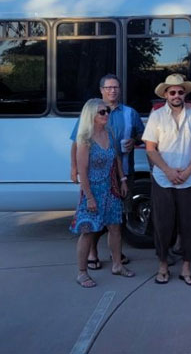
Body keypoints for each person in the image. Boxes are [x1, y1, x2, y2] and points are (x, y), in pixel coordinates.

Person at [70, 74, 144, 270]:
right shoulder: (89, 114)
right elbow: (76, 143)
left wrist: (134, 141)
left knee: (117, 220)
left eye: (116, 87)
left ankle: (116, 257)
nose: (113, 90)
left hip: (122, 174)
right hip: (95, 181)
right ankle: (92, 255)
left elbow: (140, 135)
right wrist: (74, 169)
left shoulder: (130, 113)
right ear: (102, 90)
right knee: (94, 224)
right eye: (109, 87)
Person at [143, 74, 191, 286]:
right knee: (163, 224)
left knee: (190, 224)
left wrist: (190, 169)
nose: (177, 95)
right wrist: (168, 171)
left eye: (181, 92)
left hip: (190, 179)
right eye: (172, 92)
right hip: (163, 178)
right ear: (166, 94)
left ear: (185, 94)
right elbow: (151, 149)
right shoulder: (156, 116)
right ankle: (163, 265)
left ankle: (186, 268)